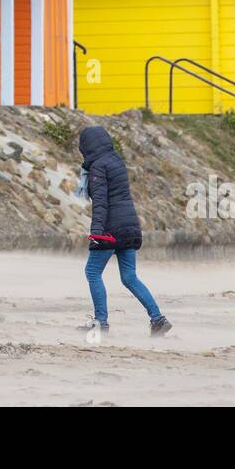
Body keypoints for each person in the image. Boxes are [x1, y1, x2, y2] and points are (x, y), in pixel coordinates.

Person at [76, 126, 172, 336]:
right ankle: (158, 319)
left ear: (87, 147)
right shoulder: (116, 161)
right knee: (129, 277)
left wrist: (96, 233)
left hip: (110, 229)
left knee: (92, 272)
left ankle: (101, 322)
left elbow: (100, 203)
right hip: (130, 227)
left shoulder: (98, 167)